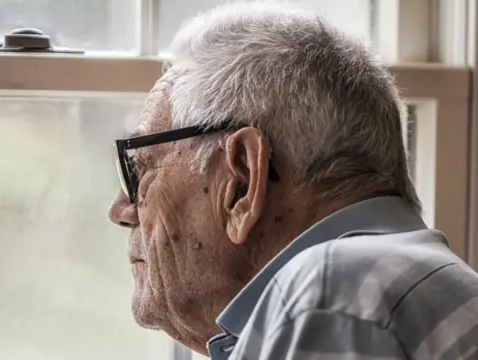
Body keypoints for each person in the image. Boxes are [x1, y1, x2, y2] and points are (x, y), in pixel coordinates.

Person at [108, 2, 478, 359]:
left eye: (140, 169)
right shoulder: (390, 287)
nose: (121, 209)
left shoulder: (334, 296)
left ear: (240, 181)